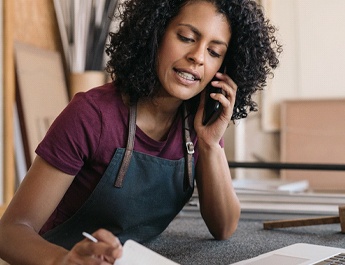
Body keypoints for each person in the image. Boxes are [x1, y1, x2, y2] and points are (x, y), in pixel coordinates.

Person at [0, 0, 282, 264]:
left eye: (214, 52)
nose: (198, 57)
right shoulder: (91, 116)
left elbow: (224, 226)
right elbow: (10, 232)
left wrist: (210, 144)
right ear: (155, 32)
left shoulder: (198, 123)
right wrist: (64, 260)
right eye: (186, 37)